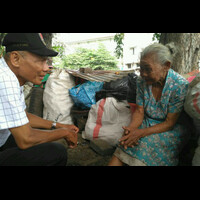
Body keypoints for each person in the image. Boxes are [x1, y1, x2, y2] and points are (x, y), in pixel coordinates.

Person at [0, 33, 79, 166]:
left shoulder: (10, 75)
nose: (46, 68)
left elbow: (23, 116)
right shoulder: (5, 80)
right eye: (41, 60)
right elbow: (25, 139)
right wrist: (63, 132)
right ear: (15, 59)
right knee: (56, 152)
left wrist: (58, 125)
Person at [108, 43, 190, 166]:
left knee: (146, 142)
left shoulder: (179, 85)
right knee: (126, 141)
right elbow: (139, 111)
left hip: (171, 128)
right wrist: (132, 128)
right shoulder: (142, 81)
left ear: (166, 66)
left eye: (147, 69)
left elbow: (169, 123)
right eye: (141, 68)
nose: (143, 73)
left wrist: (140, 133)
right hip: (148, 122)